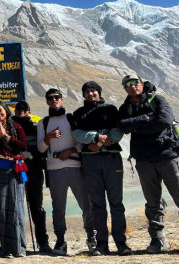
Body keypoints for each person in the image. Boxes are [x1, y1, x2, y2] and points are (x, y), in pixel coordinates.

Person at [118, 75, 179, 257]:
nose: (132, 86)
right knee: (152, 203)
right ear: (125, 89)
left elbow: (164, 120)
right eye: (127, 85)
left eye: (135, 83)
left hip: (167, 157)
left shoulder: (158, 99)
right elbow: (121, 126)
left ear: (141, 84)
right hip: (143, 161)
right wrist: (145, 118)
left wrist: (137, 126)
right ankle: (158, 239)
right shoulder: (125, 107)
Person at [72, 82, 131, 256]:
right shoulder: (78, 113)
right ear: (84, 95)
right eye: (88, 92)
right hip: (90, 161)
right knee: (97, 204)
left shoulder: (111, 109)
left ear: (99, 92)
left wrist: (102, 142)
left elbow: (118, 130)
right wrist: (96, 138)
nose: (91, 94)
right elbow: (76, 134)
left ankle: (121, 243)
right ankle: (102, 244)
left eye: (94, 91)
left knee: (116, 203)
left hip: (111, 158)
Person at [36, 88, 95, 256]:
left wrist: (69, 151)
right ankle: (61, 240)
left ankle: (91, 236)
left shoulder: (71, 118)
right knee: (58, 207)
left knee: (86, 203)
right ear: (46, 101)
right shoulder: (43, 123)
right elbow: (41, 148)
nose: (54, 100)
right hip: (54, 169)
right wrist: (48, 138)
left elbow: (81, 142)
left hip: (75, 167)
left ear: (62, 100)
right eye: (50, 98)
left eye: (57, 97)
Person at [0, 100, 27, 258]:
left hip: (12, 172)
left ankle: (19, 248)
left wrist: (7, 137)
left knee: (15, 210)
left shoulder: (16, 127)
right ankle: (7, 248)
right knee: (2, 211)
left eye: (0, 110)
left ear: (7, 111)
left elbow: (23, 146)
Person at [12, 100, 52, 253]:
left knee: (37, 207)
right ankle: (16, 242)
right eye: (18, 108)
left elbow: (43, 148)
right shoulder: (11, 126)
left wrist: (32, 154)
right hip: (15, 170)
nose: (20, 111)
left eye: (24, 108)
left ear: (28, 111)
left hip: (34, 170)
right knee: (15, 206)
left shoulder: (36, 126)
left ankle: (43, 242)